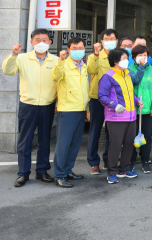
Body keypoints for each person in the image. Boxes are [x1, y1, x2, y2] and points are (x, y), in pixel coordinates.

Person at [3, 29, 58, 187]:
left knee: (45, 139)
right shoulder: (21, 58)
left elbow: (60, 82)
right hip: (28, 104)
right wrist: (13, 55)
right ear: (32, 42)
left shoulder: (55, 60)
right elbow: (7, 71)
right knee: (25, 140)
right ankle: (23, 173)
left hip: (47, 105)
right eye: (37, 40)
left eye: (44, 40)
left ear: (49, 42)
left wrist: (57, 102)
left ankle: (42, 171)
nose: (41, 43)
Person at [98, 49, 143, 184]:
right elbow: (102, 96)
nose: (127, 60)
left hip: (131, 116)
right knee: (115, 145)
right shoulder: (108, 76)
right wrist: (114, 105)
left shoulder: (127, 74)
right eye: (124, 58)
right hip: (116, 117)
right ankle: (112, 172)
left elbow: (129, 93)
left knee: (129, 144)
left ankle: (124, 168)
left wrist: (137, 101)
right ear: (116, 60)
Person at [51, 37, 89, 188]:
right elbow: (55, 76)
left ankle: (68, 170)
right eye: (74, 48)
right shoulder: (63, 64)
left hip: (80, 109)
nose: (78, 51)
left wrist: (86, 109)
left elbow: (84, 89)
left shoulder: (84, 66)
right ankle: (59, 175)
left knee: (74, 144)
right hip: (67, 110)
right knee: (63, 144)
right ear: (68, 50)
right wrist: (60, 60)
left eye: (80, 48)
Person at [87, 28, 118, 175]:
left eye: (112, 38)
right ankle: (93, 162)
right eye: (106, 38)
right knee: (95, 130)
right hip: (97, 98)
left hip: (113, 100)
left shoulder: (119, 57)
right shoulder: (95, 56)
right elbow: (91, 70)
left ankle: (108, 159)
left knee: (111, 131)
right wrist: (96, 53)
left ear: (116, 41)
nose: (109, 41)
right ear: (101, 41)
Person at [128, 44, 152, 174]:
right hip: (132, 110)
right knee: (131, 136)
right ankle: (130, 160)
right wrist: (140, 67)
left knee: (146, 136)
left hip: (147, 110)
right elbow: (135, 82)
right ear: (134, 57)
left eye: (145, 56)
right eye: (140, 55)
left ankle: (145, 160)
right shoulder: (129, 69)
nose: (143, 58)